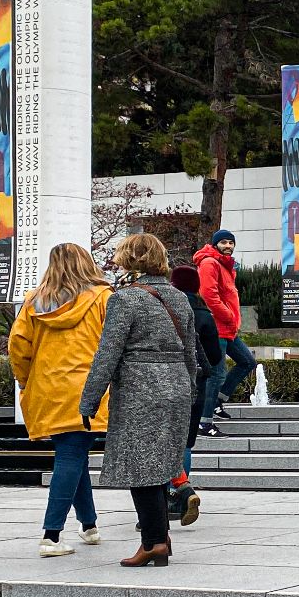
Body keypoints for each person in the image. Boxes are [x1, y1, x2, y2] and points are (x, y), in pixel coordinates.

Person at [81, 233, 198, 568]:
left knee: (141, 468)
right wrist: (188, 389)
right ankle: (160, 537)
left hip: (139, 389)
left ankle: (153, 542)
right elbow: (191, 351)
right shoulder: (179, 297)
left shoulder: (125, 299)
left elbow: (108, 353)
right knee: (163, 464)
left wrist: (89, 400)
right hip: (176, 387)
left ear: (129, 259)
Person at [7, 243, 112, 558]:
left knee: (73, 453)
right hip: (88, 389)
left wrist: (25, 381)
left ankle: (89, 524)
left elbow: (18, 346)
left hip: (48, 388)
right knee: (71, 456)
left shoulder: (34, 301)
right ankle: (51, 535)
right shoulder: (103, 298)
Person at [165, 264, 223, 526]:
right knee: (186, 443)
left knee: (163, 442)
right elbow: (215, 356)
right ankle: (180, 493)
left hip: (166, 381)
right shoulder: (203, 313)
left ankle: (165, 495)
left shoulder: (164, 307)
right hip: (196, 383)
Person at [194, 230, 251, 426]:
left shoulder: (225, 265)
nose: (228, 246)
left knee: (247, 362)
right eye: (224, 242)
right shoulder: (210, 263)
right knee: (216, 374)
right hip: (218, 328)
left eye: (231, 243)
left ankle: (218, 400)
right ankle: (204, 422)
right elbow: (209, 296)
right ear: (215, 244)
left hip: (228, 329)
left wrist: (232, 321)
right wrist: (229, 316)